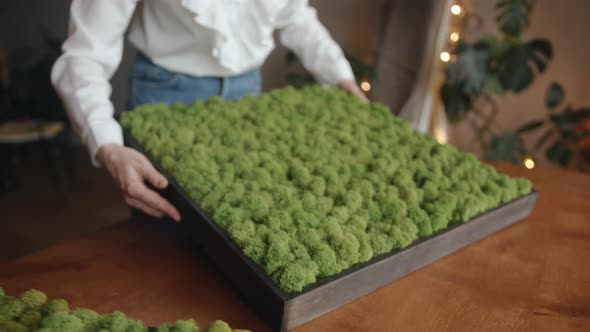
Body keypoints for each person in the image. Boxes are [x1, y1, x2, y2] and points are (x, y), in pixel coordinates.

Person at [51, 0, 366, 222]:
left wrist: (338, 73)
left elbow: (295, 14)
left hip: (248, 98)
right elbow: (84, 55)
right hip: (166, 98)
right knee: (165, 234)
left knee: (244, 223)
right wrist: (107, 145)